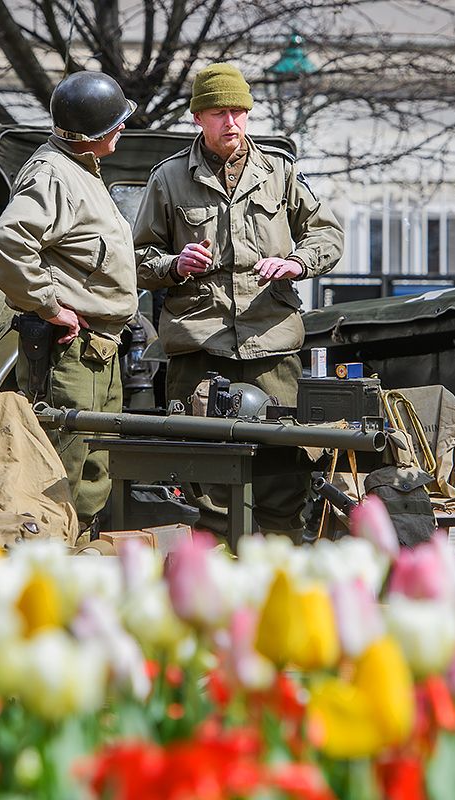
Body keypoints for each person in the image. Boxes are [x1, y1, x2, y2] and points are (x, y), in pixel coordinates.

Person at [133, 62, 344, 540]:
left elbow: (328, 235)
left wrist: (297, 263)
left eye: (238, 111)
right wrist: (174, 264)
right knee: (204, 477)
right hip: (200, 347)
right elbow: (137, 260)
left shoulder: (280, 172)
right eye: (218, 112)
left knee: (284, 470)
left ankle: (275, 573)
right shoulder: (168, 181)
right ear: (198, 118)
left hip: (270, 343)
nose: (231, 121)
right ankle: (217, 584)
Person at [0, 71, 139, 534]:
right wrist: (50, 306)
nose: (122, 129)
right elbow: (9, 240)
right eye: (115, 123)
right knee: (61, 472)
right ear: (91, 134)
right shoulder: (55, 173)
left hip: (98, 348)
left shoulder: (80, 170)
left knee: (92, 475)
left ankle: (74, 567)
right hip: (70, 350)